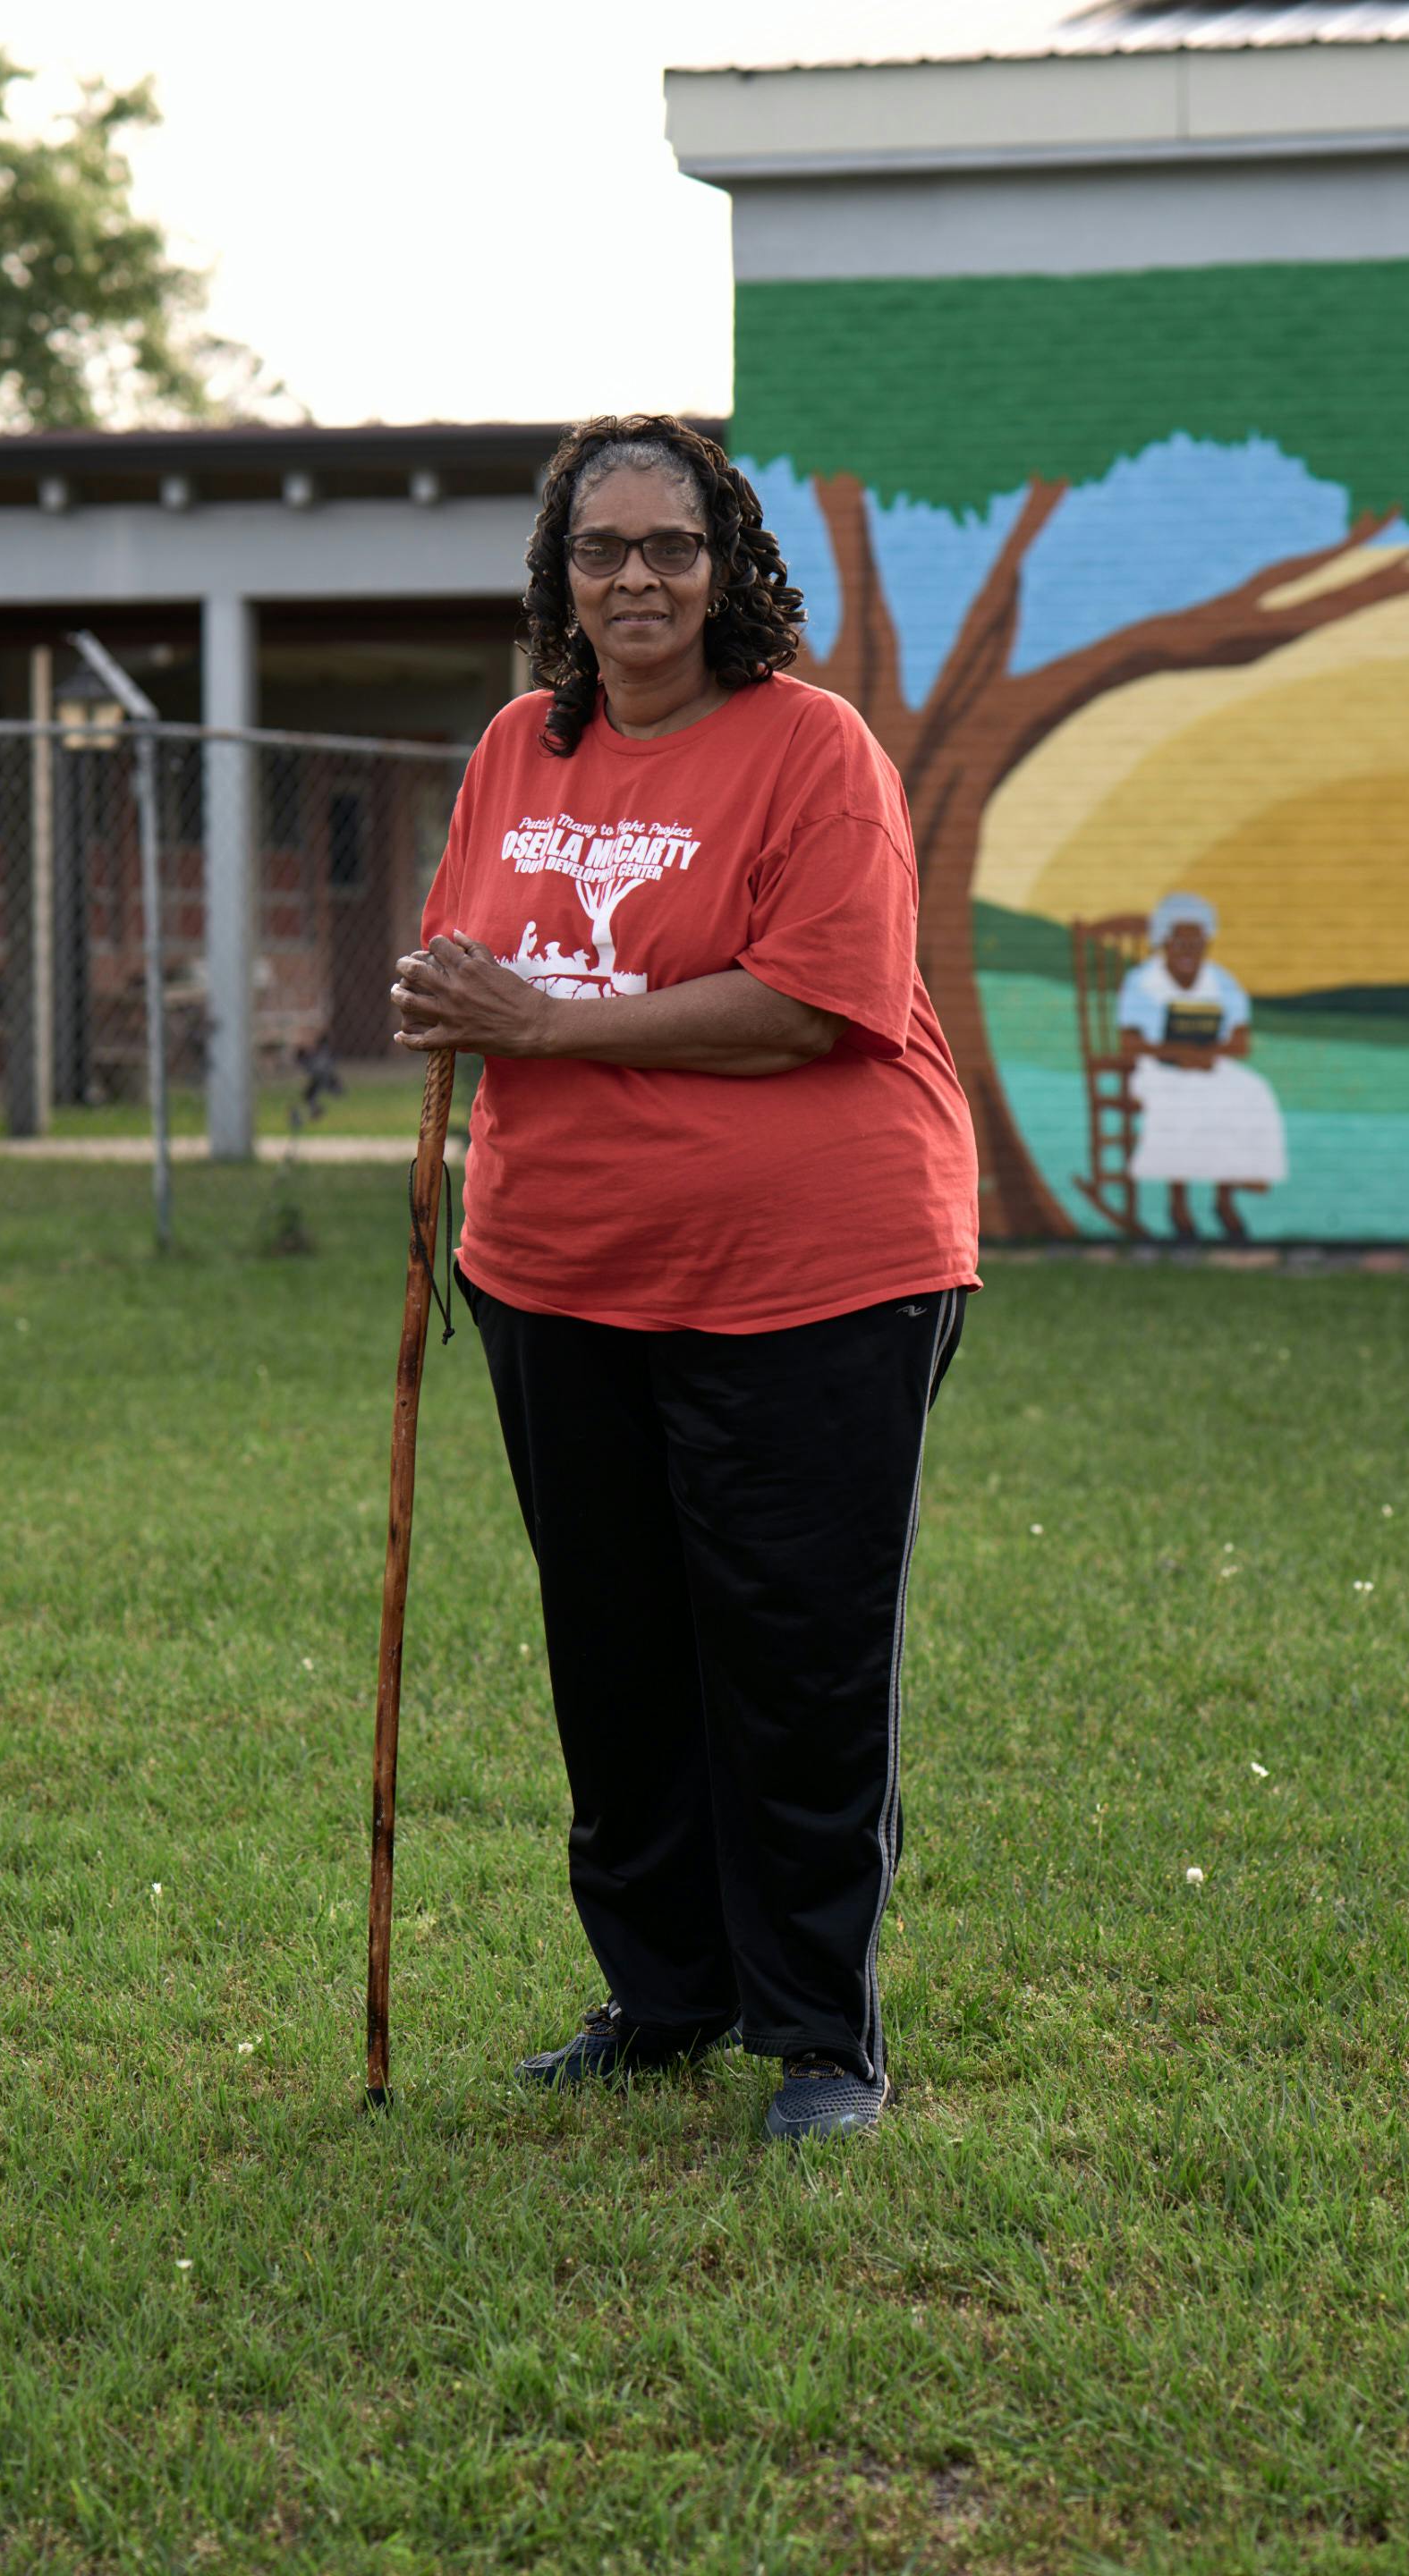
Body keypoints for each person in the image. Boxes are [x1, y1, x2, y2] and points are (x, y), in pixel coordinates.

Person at [387, 414, 981, 2144]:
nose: (635, 579)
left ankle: (820, 2037)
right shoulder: (520, 743)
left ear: (728, 563)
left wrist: (547, 1022)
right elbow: (470, 959)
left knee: (793, 1656)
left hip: (817, 1270)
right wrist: (452, 1000)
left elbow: (815, 1001)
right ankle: (663, 1996)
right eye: (601, 550)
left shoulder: (812, 750)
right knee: (619, 1652)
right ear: (558, 577)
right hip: (558, 1269)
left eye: (670, 546)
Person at [1115, 892, 1283, 1241]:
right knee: (1184, 1100)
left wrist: (1207, 1054)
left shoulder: (1221, 982)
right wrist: (1177, 1052)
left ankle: (1226, 1196)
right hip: (1158, 1071)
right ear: (1166, 942)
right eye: (1180, 941)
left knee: (1250, 1091)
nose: (1188, 950)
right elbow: (1130, 1042)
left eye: (1196, 942)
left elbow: (1241, 1041)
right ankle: (1179, 1204)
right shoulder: (1142, 983)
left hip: (1209, 1067)